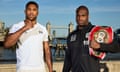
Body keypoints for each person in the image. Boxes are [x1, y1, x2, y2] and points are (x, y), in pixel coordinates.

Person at [63, 5, 120, 72]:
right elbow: (68, 60)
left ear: (88, 16)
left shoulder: (97, 31)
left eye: (83, 15)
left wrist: (100, 46)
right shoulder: (71, 36)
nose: (80, 18)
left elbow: (117, 47)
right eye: (78, 15)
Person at [4, 1, 52, 72]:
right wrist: (24, 28)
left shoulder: (43, 29)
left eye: (34, 10)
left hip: (40, 69)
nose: (31, 12)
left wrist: (50, 69)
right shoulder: (17, 26)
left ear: (37, 12)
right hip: (23, 69)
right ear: (25, 11)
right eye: (29, 9)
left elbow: (47, 51)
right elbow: (7, 44)